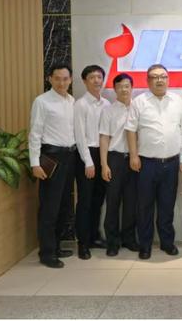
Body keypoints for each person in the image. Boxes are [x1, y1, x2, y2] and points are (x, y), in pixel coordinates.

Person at [125, 64, 182, 260]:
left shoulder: (177, 101)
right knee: (145, 206)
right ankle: (145, 245)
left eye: (163, 76)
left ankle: (167, 242)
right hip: (146, 163)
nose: (160, 80)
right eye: (155, 77)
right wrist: (133, 155)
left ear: (168, 79)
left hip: (171, 162)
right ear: (148, 80)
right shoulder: (139, 102)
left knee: (167, 205)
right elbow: (131, 130)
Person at [28, 63, 76, 268]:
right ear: (50, 79)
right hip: (51, 158)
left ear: (70, 80)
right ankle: (47, 253)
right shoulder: (42, 101)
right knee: (49, 207)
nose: (61, 83)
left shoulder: (71, 101)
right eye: (57, 79)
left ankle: (56, 246)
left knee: (64, 205)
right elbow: (34, 134)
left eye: (65, 79)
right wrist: (35, 163)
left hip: (70, 157)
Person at [99, 73, 139, 257]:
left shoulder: (138, 108)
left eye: (127, 86)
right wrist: (104, 164)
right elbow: (104, 138)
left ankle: (129, 239)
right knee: (113, 202)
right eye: (120, 86)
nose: (124, 89)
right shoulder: (108, 111)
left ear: (132, 88)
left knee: (131, 202)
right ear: (114, 89)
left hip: (134, 159)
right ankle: (112, 242)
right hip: (114, 159)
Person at [74, 65, 110, 260]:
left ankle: (94, 237)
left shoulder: (106, 104)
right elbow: (79, 136)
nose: (96, 80)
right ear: (84, 81)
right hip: (86, 156)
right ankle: (82, 243)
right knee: (85, 201)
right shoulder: (80, 105)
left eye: (99, 77)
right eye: (92, 77)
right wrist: (88, 162)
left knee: (98, 199)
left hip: (102, 155)